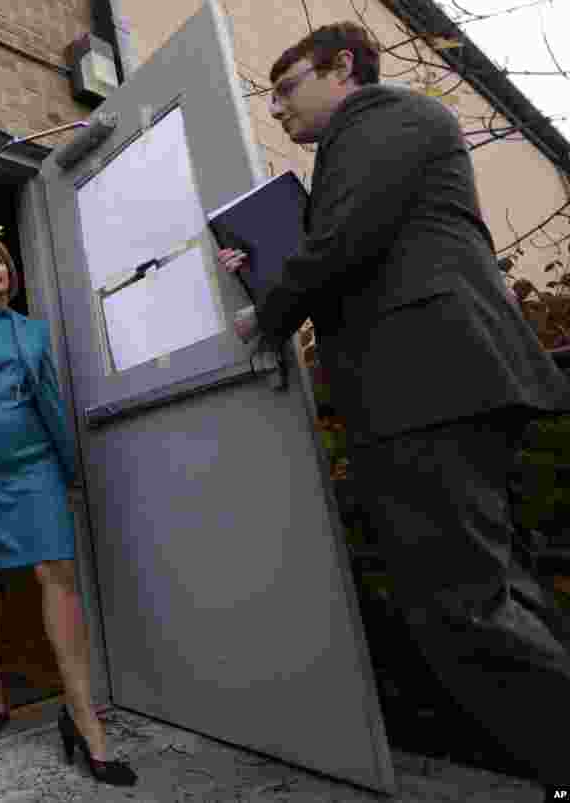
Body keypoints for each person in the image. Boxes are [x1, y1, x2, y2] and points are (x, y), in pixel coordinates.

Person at [218, 22, 570, 784]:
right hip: (447, 382)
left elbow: (344, 238)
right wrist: (263, 264)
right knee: (497, 588)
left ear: (342, 67)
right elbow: (357, 244)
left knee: (462, 604)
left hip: (431, 386)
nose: (276, 109)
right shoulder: (377, 142)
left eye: (285, 89)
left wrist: (265, 312)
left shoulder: (384, 118)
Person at [0, 237, 136, 787]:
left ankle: (84, 718)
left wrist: (67, 468)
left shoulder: (34, 330)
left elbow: (50, 399)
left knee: (56, 570)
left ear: (11, 274)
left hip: (33, 460)